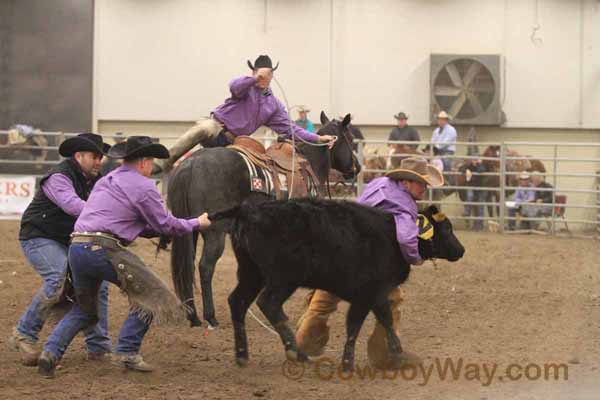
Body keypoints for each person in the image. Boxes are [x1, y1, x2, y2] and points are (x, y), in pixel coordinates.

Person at [37, 136, 212, 378]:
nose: (151, 168)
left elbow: (127, 219)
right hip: (104, 248)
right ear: (143, 162)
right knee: (154, 296)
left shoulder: (106, 181)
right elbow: (165, 223)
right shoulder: (144, 186)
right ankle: (127, 352)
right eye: (151, 162)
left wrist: (159, 229)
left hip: (78, 247)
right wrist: (196, 223)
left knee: (85, 309)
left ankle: (50, 353)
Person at [295, 157, 444, 369]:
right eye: (421, 183)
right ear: (407, 181)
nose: (425, 188)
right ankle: (385, 355)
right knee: (391, 299)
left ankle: (303, 345)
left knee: (325, 298)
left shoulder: (379, 183)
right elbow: (405, 238)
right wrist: (416, 258)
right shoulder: (405, 205)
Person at [10, 133, 112, 366]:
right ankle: (23, 333)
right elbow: (73, 205)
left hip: (69, 240)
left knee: (100, 282)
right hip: (39, 236)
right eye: (95, 156)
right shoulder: (59, 177)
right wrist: (109, 215)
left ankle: (98, 346)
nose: (99, 161)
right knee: (57, 278)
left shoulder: (96, 180)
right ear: (79, 156)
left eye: (101, 156)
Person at [156, 55, 335, 172]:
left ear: (272, 76)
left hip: (237, 141)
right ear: (253, 72)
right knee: (203, 128)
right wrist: (255, 79)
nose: (264, 78)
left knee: (248, 168)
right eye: (260, 74)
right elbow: (234, 86)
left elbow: (292, 129)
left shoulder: (273, 105)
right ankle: (164, 161)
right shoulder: (245, 87)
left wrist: (318, 138)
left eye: (267, 75)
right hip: (217, 127)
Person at [458, 146, 487, 231]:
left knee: (480, 207)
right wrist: (466, 170)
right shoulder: (469, 165)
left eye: (476, 159)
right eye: (473, 159)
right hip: (472, 186)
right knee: (470, 195)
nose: (474, 160)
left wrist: (473, 171)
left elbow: (481, 171)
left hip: (480, 188)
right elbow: (461, 168)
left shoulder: (481, 165)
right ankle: (467, 211)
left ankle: (479, 225)